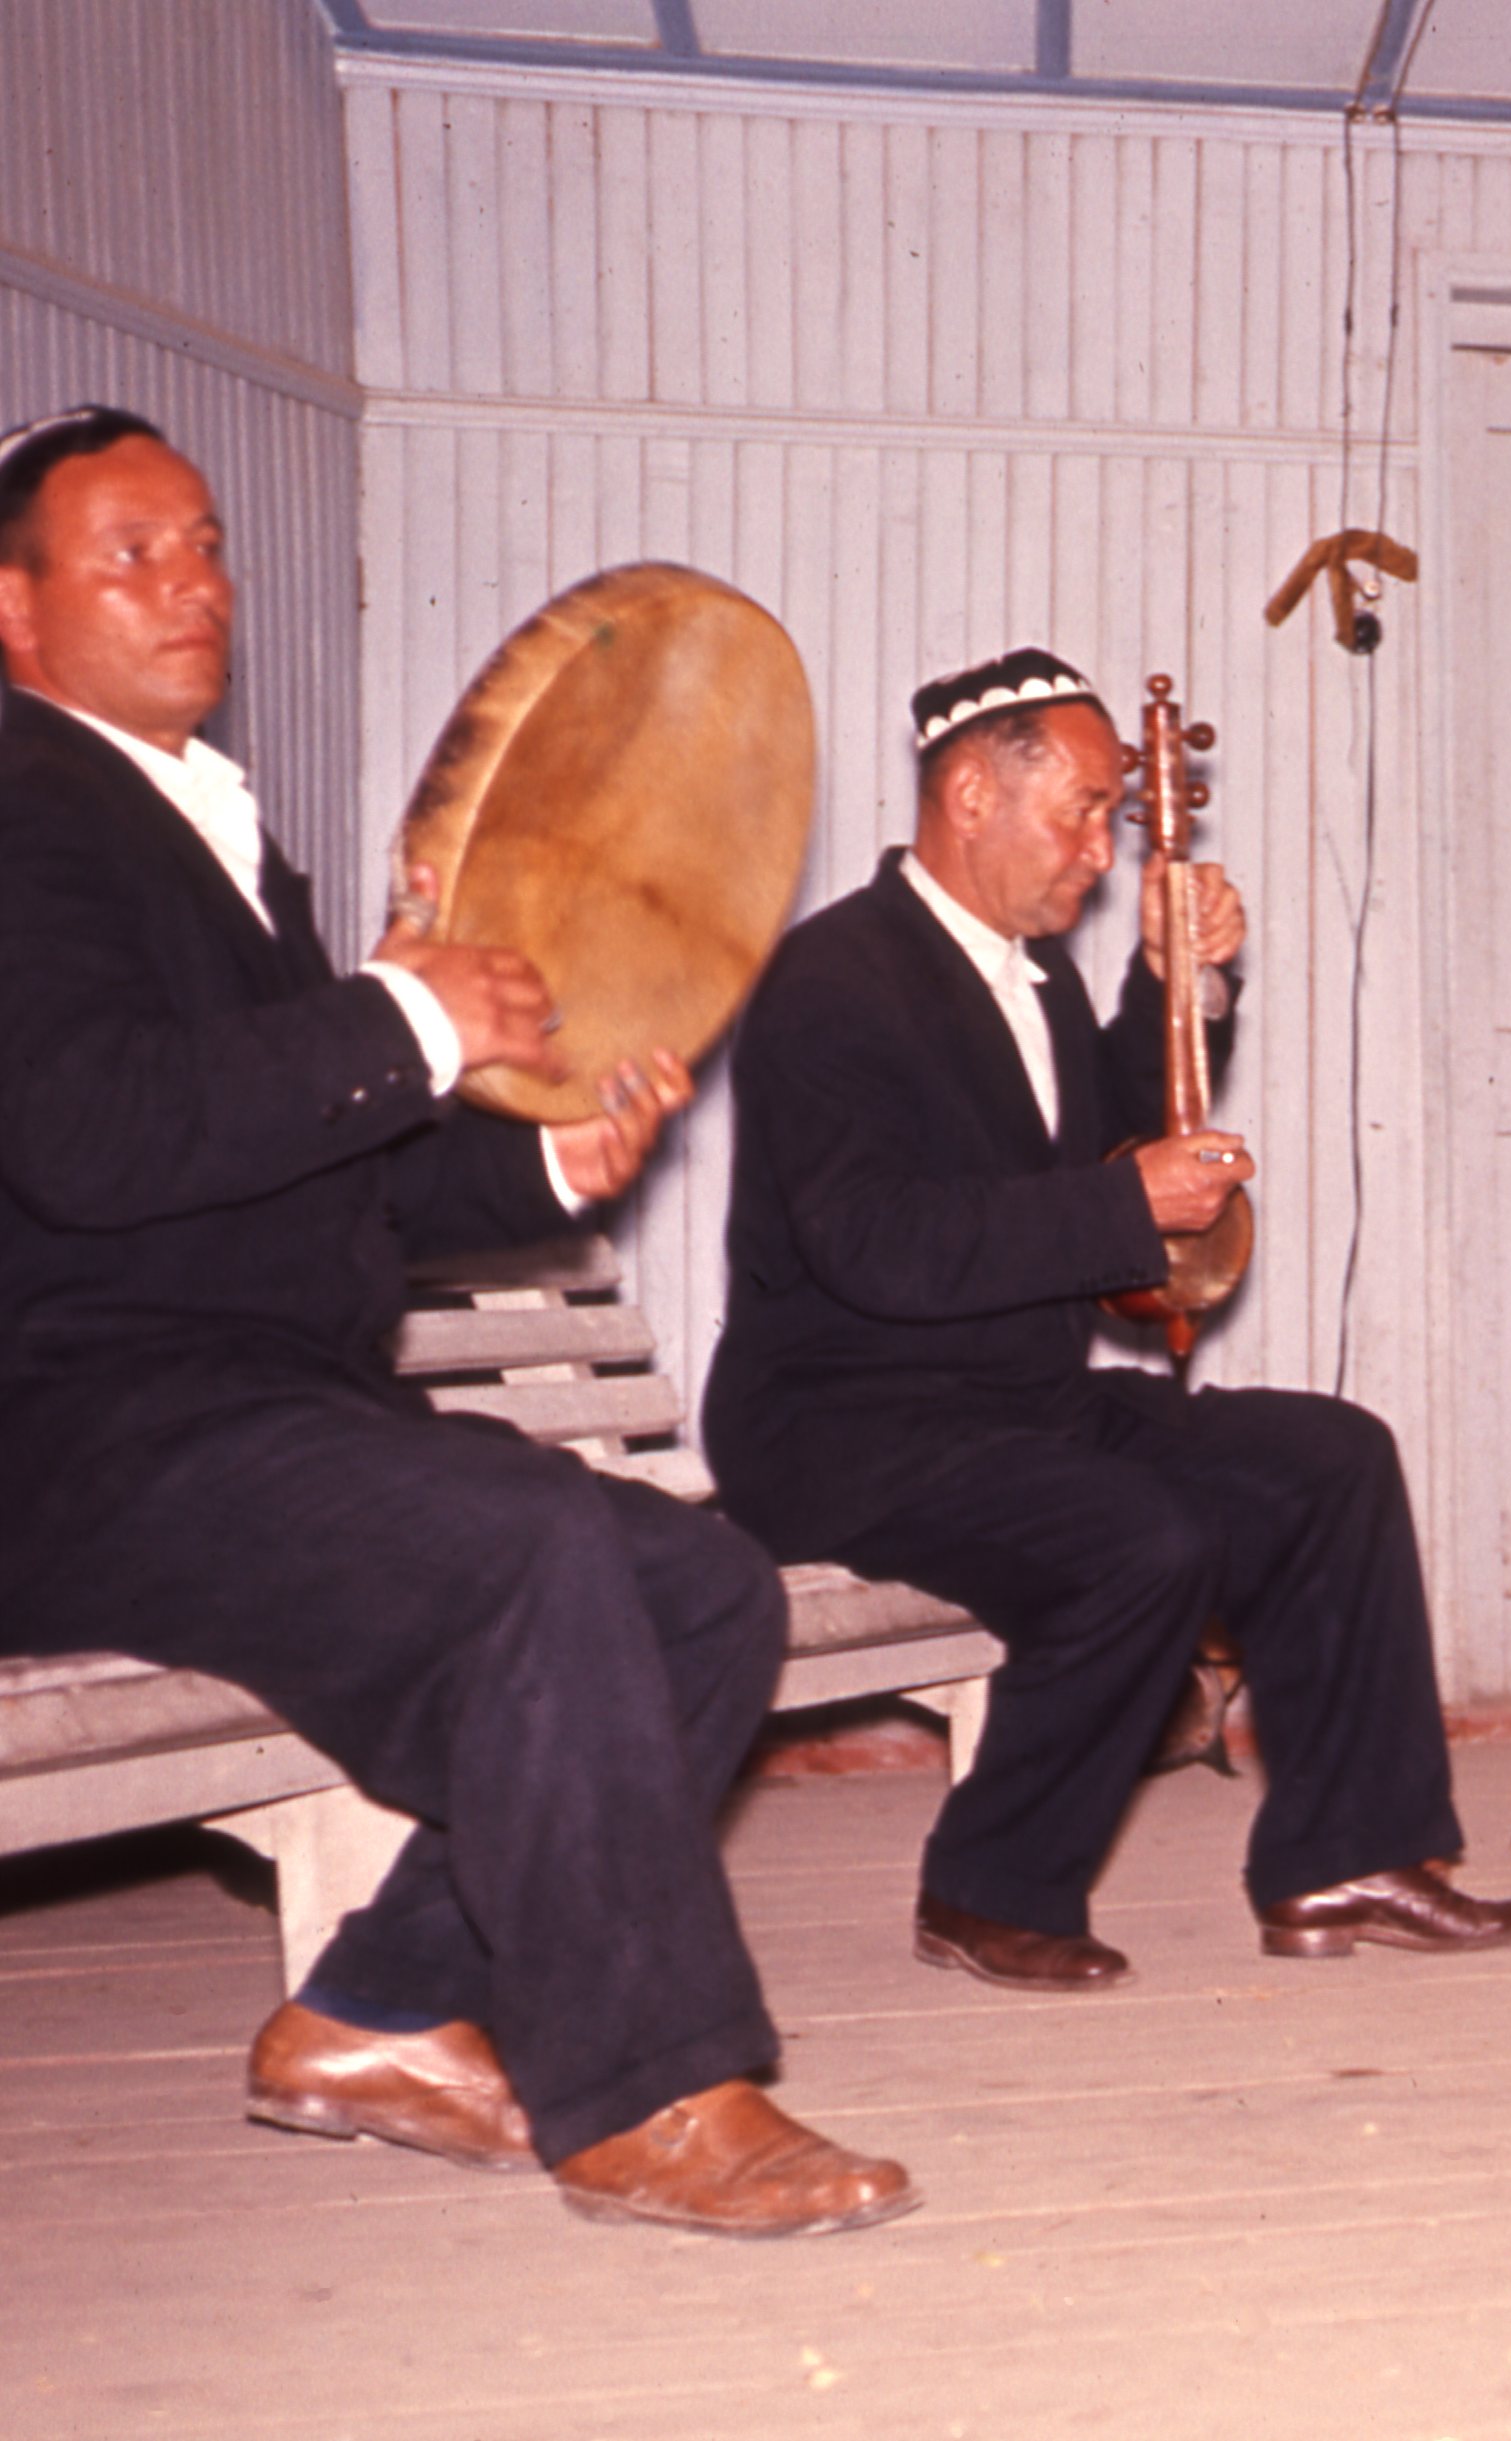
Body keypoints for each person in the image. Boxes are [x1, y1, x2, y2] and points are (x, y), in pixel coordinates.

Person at [0, 406, 912, 2235]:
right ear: (13, 610)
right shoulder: (22, 801)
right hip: (86, 1436)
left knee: (702, 1587)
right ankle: (648, 2092)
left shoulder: (203, 825)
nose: (193, 586)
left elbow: (321, 1184)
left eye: (205, 544)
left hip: (254, 1421)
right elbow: (87, 1132)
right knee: (525, 1547)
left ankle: (382, 2008)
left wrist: (552, 1159)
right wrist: (407, 1018)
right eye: (131, 555)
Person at [703, 649, 1511, 1985]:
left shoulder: (1030, 976)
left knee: (1331, 1458)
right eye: (1085, 811)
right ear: (971, 796)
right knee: (1138, 1538)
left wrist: (1177, 983)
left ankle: (1350, 1856)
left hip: (1013, 1405)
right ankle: (990, 1891)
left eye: (1111, 814)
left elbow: (1104, 1139)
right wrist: (1122, 1202)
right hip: (843, 1426)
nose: (1106, 851)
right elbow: (875, 1242)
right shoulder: (833, 980)